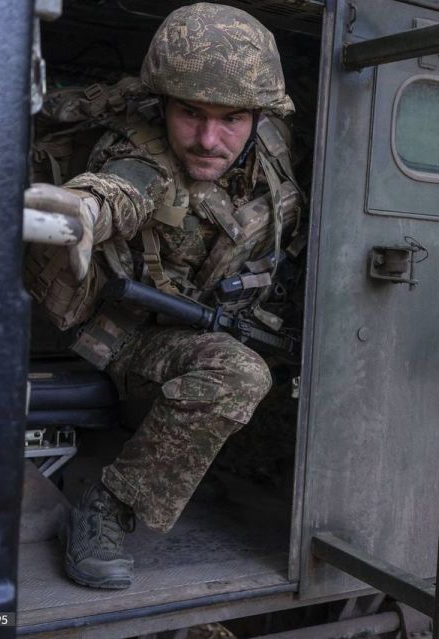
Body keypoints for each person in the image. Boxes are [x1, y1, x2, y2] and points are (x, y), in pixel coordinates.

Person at [23, 2, 302, 589]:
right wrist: (84, 209)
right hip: (124, 332)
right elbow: (118, 189)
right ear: (162, 106)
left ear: (260, 115)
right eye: (190, 113)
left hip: (216, 318)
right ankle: (106, 506)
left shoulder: (274, 144)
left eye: (232, 120)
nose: (207, 138)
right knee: (238, 376)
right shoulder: (141, 154)